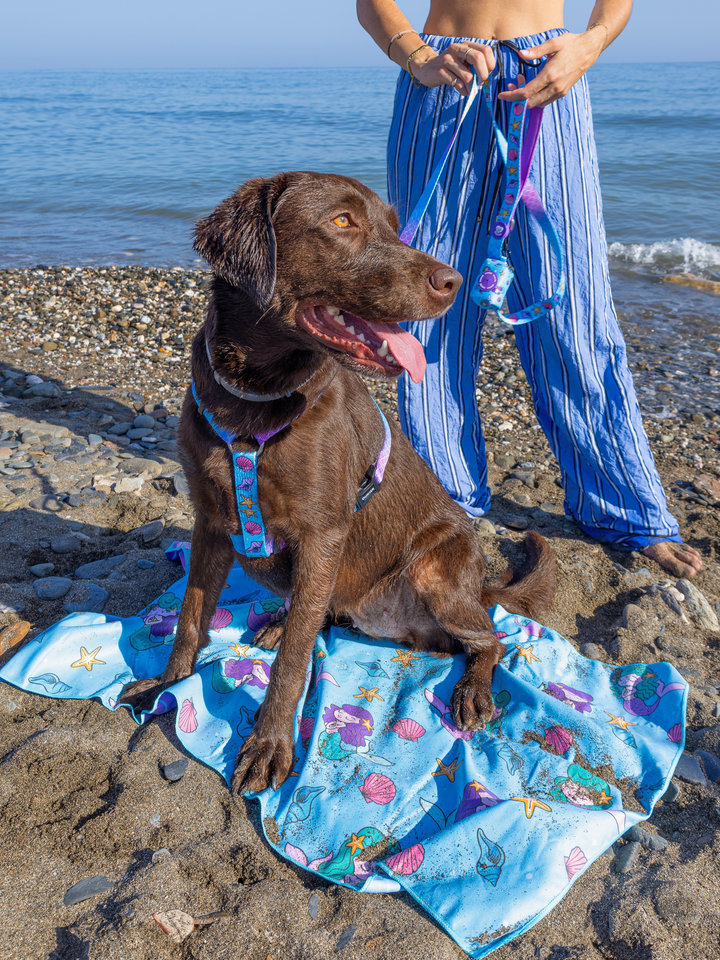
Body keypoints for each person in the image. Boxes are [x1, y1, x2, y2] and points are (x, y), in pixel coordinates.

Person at [356, 0, 702, 578]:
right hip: (444, 81)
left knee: (575, 314)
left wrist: (589, 45)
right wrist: (416, 56)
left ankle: (627, 509)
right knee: (430, 310)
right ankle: (444, 500)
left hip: (551, 76)